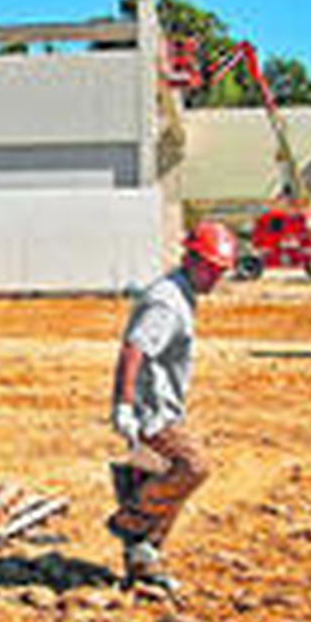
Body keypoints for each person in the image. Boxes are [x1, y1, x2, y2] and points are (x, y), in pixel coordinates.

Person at [107, 220, 237, 587]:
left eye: (220, 272)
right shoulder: (167, 302)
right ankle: (129, 523)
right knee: (192, 467)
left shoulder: (181, 295)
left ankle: (144, 562)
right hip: (153, 412)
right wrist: (126, 406)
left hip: (163, 407)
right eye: (211, 269)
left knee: (155, 479)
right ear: (192, 259)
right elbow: (134, 348)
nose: (215, 278)